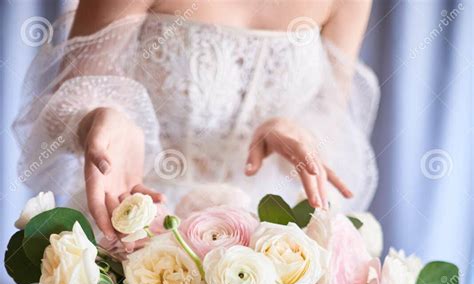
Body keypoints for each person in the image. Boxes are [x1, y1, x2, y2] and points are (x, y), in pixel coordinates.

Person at [14, 0, 379, 239]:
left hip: (269, 246)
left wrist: (294, 128)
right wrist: (98, 117)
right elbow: (65, 100)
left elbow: (332, 107)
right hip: (141, 224)